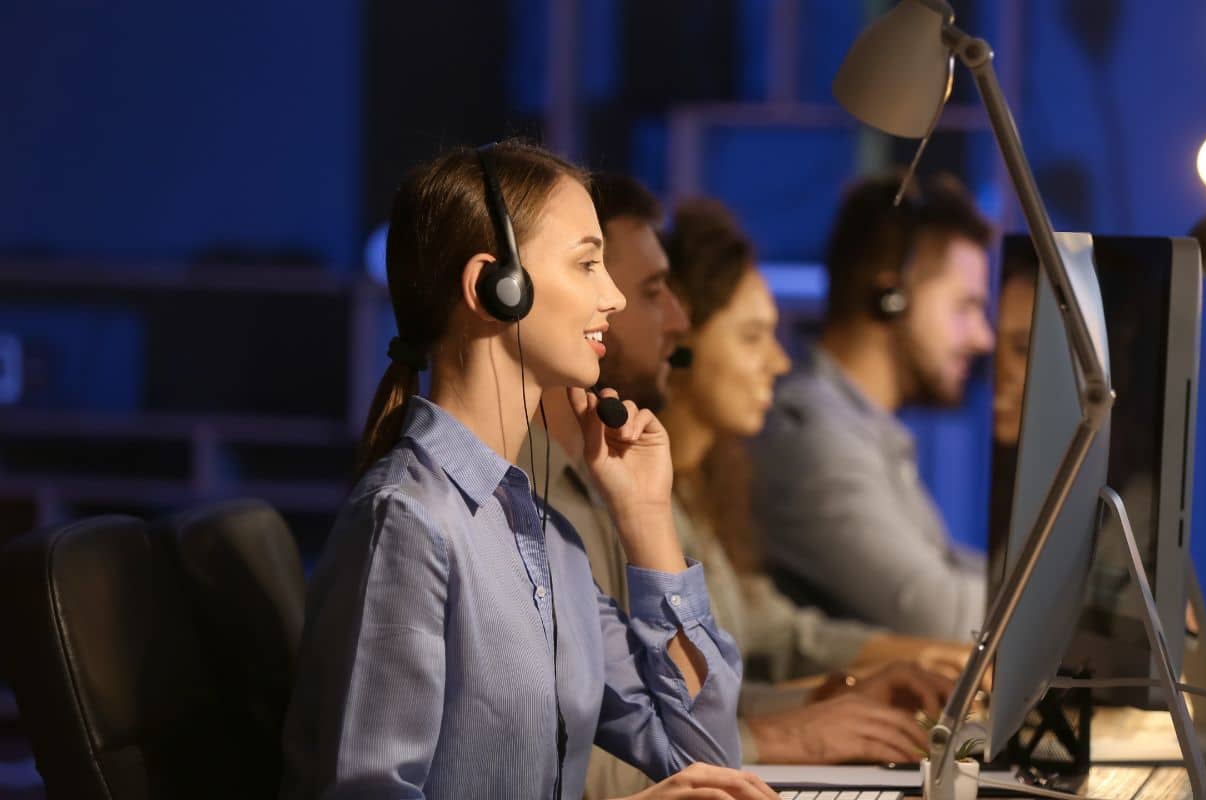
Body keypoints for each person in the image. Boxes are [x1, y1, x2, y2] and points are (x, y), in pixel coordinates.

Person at [280, 141, 777, 800]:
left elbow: (703, 755)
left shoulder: (544, 534)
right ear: (496, 287)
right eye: (588, 264)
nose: (614, 297)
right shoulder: (407, 521)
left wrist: (646, 518)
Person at [522, 177, 960, 798]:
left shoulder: (636, 485)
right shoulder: (524, 504)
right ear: (508, 292)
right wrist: (801, 727)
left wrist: (834, 693)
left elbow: (687, 715)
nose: (675, 320)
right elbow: (583, 758)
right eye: (651, 292)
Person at [751, 173, 996, 641]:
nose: (983, 337)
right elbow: (939, 615)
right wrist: (1085, 610)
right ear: (891, 299)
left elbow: (948, 565)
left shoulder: (862, 428)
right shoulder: (811, 435)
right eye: (965, 307)